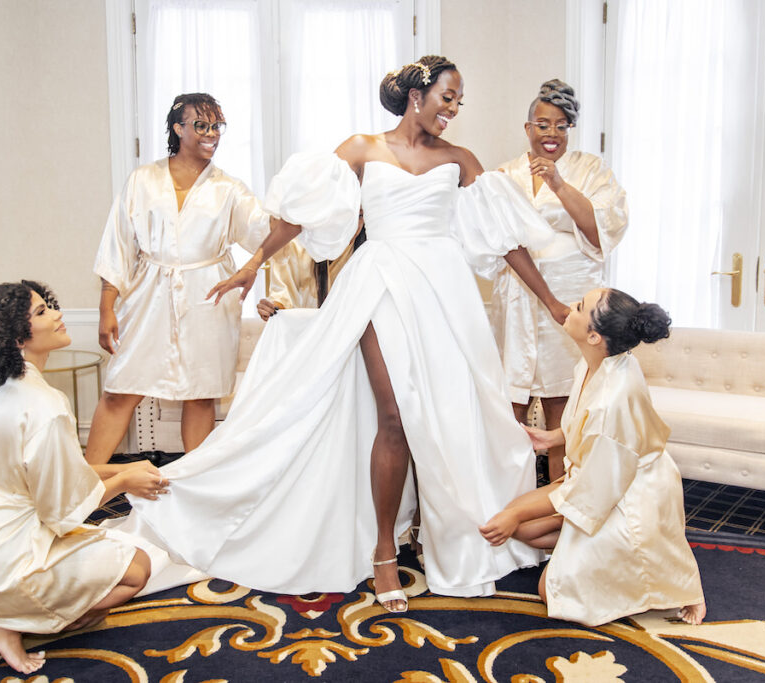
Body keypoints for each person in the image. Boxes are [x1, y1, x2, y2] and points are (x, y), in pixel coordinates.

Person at [112, 56, 570, 613]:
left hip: (445, 290)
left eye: (459, 101)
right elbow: (299, 216)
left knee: (448, 415)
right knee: (396, 415)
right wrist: (254, 261)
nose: (453, 109)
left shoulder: (460, 160)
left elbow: (505, 240)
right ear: (417, 94)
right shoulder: (361, 148)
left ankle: (435, 531)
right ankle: (382, 550)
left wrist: (550, 302)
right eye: (447, 96)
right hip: (379, 280)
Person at [0, 281, 171, 674]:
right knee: (137, 569)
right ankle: (7, 621)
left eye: (49, 307)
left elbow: (54, 472)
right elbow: (63, 511)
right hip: (3, 555)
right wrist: (124, 483)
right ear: (15, 336)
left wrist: (125, 468)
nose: (58, 315)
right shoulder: (46, 405)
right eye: (43, 312)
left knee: (105, 549)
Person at [479, 287, 706, 627]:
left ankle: (656, 577)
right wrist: (553, 437)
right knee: (522, 528)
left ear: (595, 336)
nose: (570, 306)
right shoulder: (601, 363)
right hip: (605, 481)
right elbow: (590, 433)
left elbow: (594, 487)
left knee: (551, 588)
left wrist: (516, 513)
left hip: (629, 495)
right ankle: (596, 549)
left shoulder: (612, 397)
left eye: (580, 307)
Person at [87, 93, 271, 459]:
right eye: (201, 125)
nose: (212, 134)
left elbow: (266, 233)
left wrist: (254, 265)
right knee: (122, 387)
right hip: (147, 294)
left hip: (210, 296)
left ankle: (193, 490)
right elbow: (119, 246)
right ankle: (84, 488)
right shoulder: (142, 180)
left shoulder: (229, 189)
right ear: (178, 128)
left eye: (217, 126)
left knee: (200, 394)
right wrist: (107, 307)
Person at [491, 79, 628, 481]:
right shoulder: (506, 175)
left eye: (562, 126)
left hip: (571, 304)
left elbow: (599, 229)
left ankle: (561, 510)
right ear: (527, 127)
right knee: (507, 409)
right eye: (543, 124)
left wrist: (558, 184)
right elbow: (493, 238)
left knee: (563, 411)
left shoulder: (590, 171)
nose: (552, 134)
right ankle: (508, 504)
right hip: (517, 300)